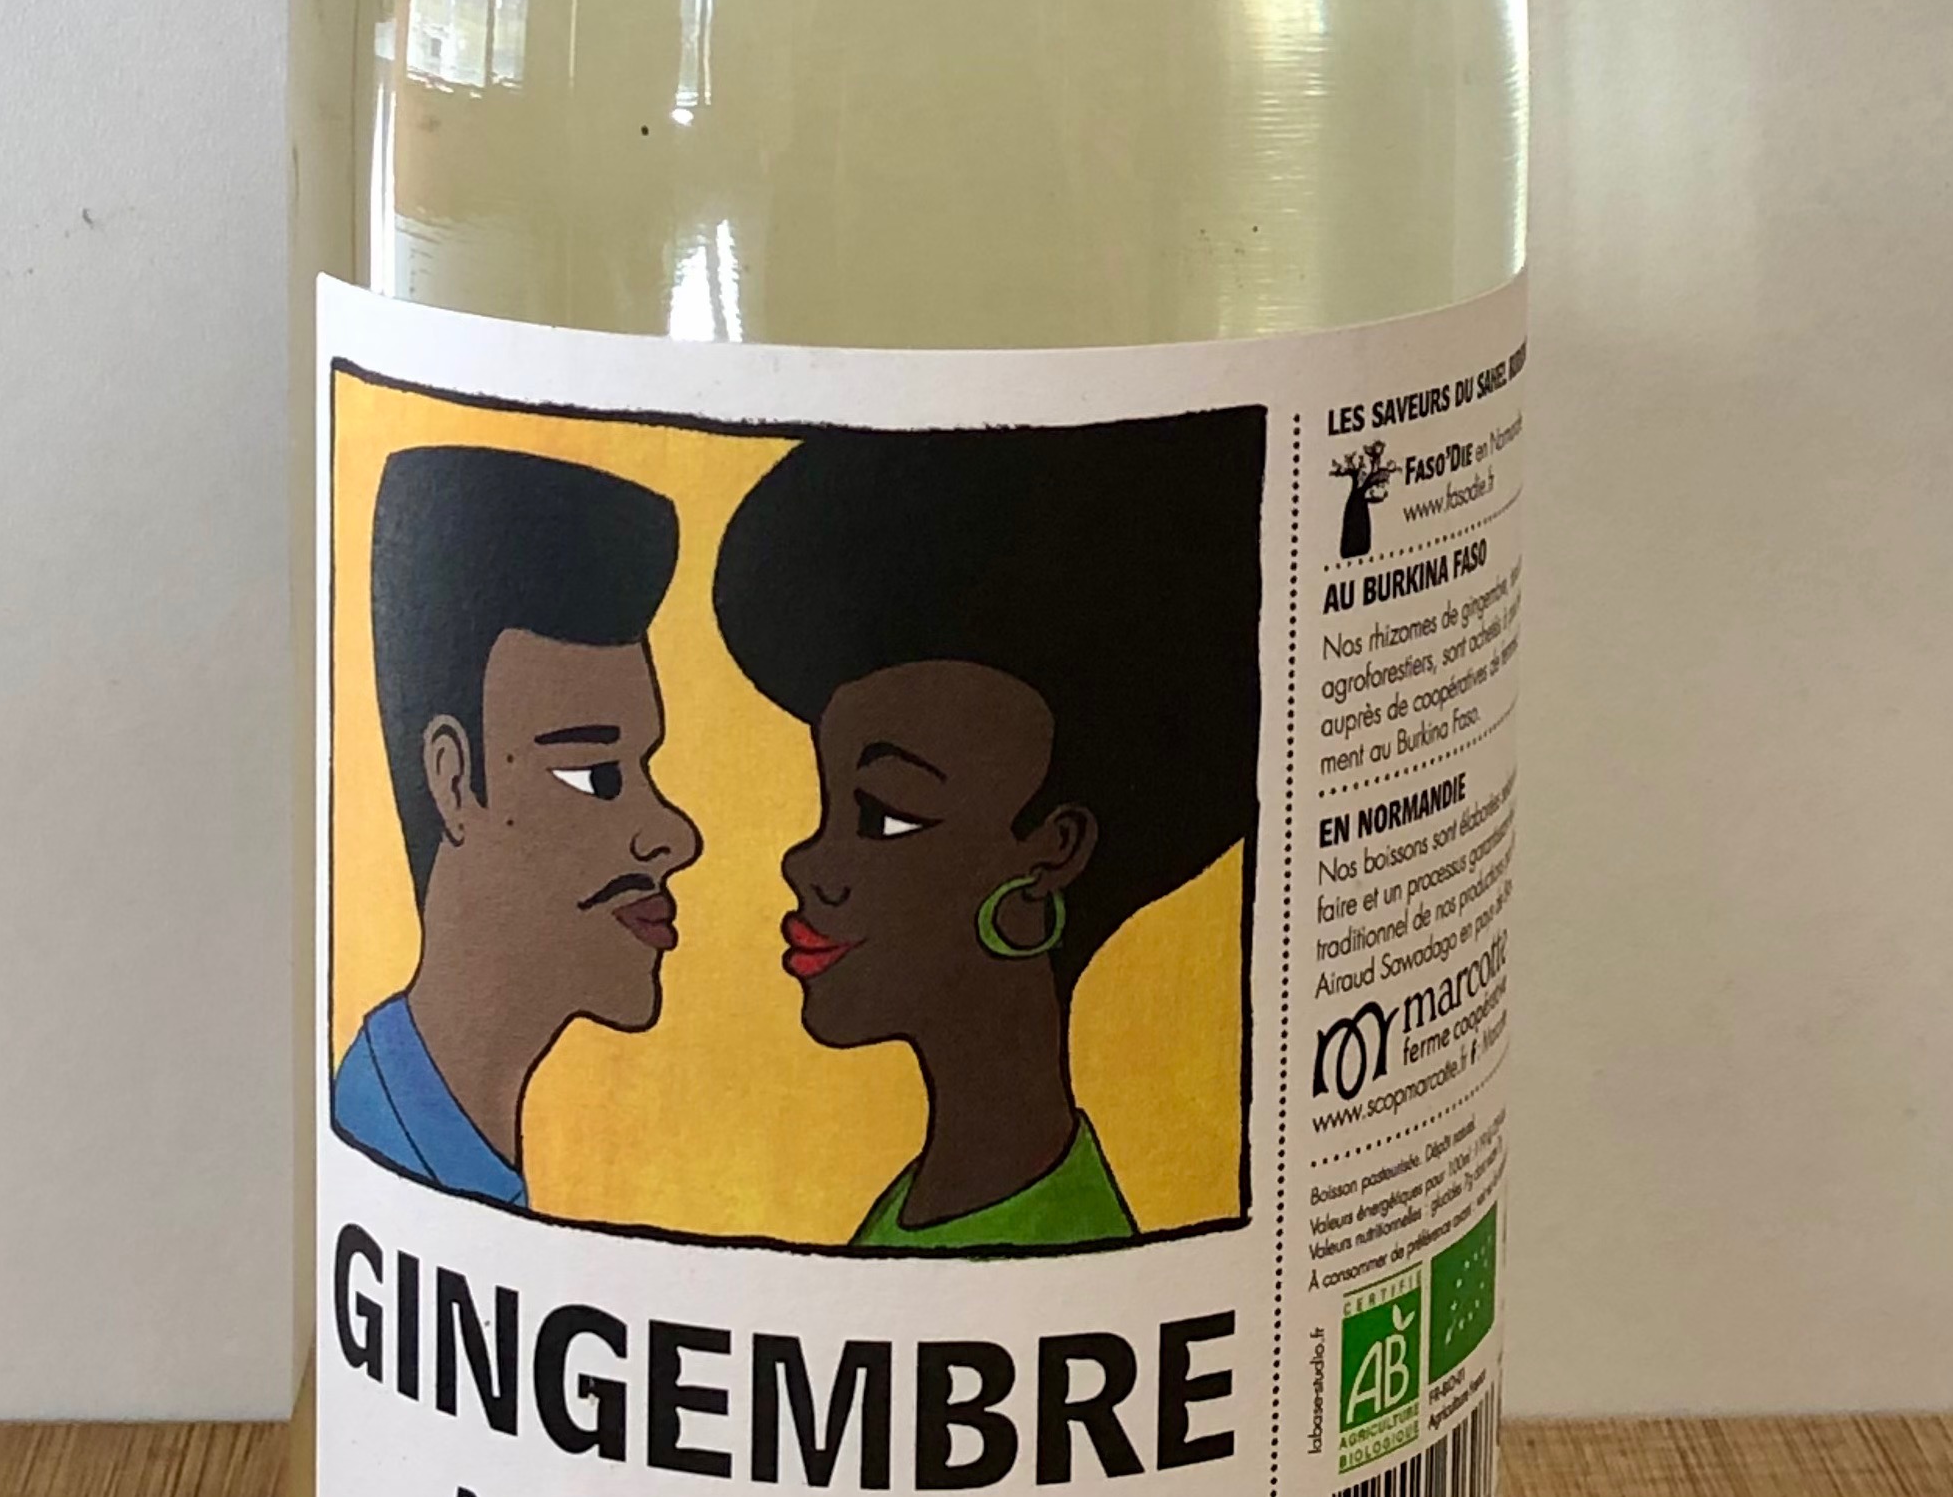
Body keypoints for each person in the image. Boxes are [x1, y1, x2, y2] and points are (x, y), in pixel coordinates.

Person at [712, 411, 1263, 1250]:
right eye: (827, 808)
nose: (808, 862)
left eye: (886, 814)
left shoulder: (1058, 1237)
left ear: (1051, 854)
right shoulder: (918, 1209)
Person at [333, 440, 695, 1210]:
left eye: (644, 768)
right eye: (595, 776)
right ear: (453, 780)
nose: (674, 835)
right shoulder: (380, 1145)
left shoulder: (444, 1153)